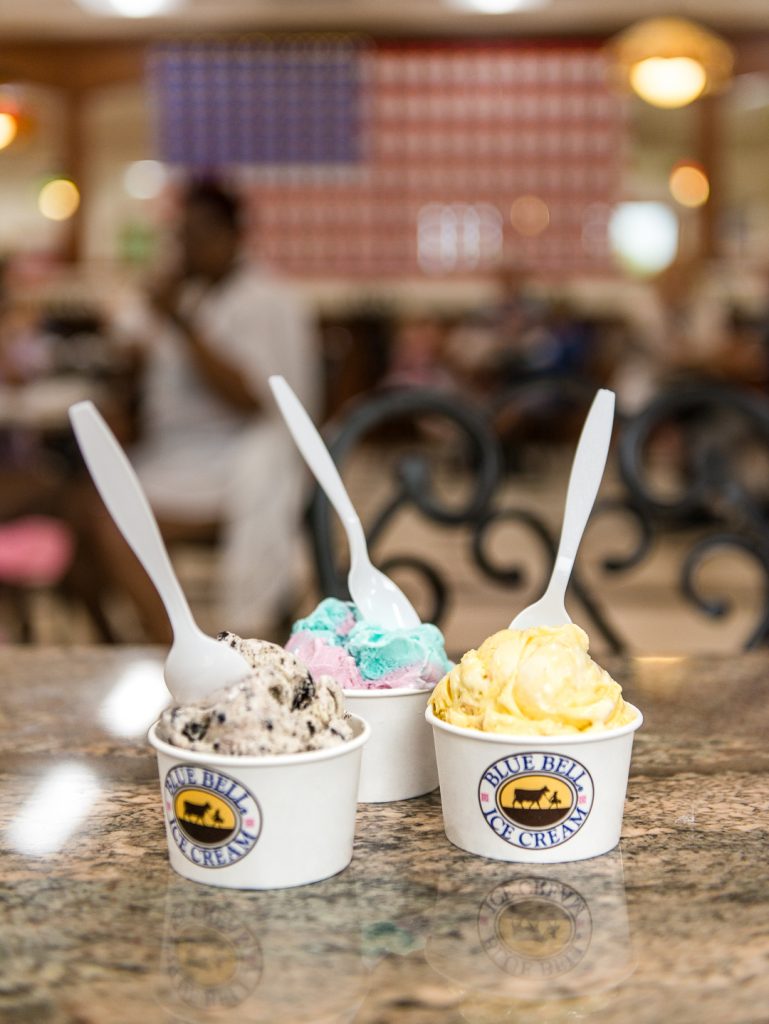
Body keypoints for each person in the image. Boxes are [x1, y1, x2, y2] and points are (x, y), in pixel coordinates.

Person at [100, 180, 320, 642]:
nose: (188, 249)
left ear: (233, 235)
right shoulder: (190, 294)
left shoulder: (268, 300)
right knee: (84, 510)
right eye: (182, 237)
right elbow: (137, 376)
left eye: (198, 237)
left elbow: (251, 399)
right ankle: (126, 641)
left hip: (239, 465)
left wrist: (180, 322)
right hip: (178, 456)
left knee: (108, 517)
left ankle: (172, 642)